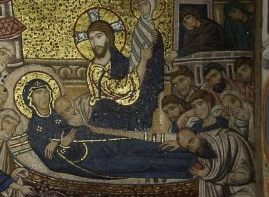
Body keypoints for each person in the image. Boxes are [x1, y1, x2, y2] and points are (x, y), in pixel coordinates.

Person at [23, 78, 196, 181]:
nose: (44, 97)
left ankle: (191, 152)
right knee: (139, 163)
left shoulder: (57, 115)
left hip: (105, 142)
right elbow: (53, 164)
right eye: (38, 94)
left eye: (45, 92)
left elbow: (80, 125)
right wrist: (65, 147)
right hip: (92, 161)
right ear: (30, 100)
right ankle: (188, 167)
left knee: (144, 146)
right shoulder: (34, 130)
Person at [85, 19, 162, 131]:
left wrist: (156, 46)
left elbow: (145, 76)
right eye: (91, 39)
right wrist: (143, 60)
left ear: (108, 37)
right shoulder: (95, 68)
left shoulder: (120, 61)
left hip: (122, 117)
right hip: (105, 120)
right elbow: (121, 89)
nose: (95, 43)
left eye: (98, 37)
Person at [129, 0, 163, 70]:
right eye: (140, 5)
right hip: (137, 61)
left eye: (145, 4)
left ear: (152, 5)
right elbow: (135, 46)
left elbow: (158, 52)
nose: (142, 8)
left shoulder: (154, 29)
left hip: (151, 64)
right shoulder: (138, 26)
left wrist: (156, 41)